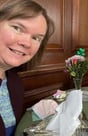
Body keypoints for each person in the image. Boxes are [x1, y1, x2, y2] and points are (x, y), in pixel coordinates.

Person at [0, 0, 54, 135]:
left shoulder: (14, 81)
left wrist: (36, 113)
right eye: (17, 28)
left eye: (36, 38)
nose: (26, 43)